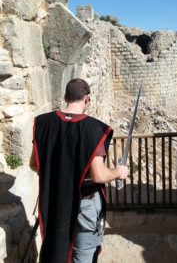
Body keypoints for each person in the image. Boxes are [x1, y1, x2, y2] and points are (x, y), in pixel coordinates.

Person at [30, 78, 128, 263]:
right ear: (87, 99)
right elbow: (99, 175)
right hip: (84, 203)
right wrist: (118, 172)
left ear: (66, 97)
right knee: (82, 254)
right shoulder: (94, 129)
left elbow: (35, 164)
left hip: (55, 200)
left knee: (56, 248)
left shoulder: (43, 123)